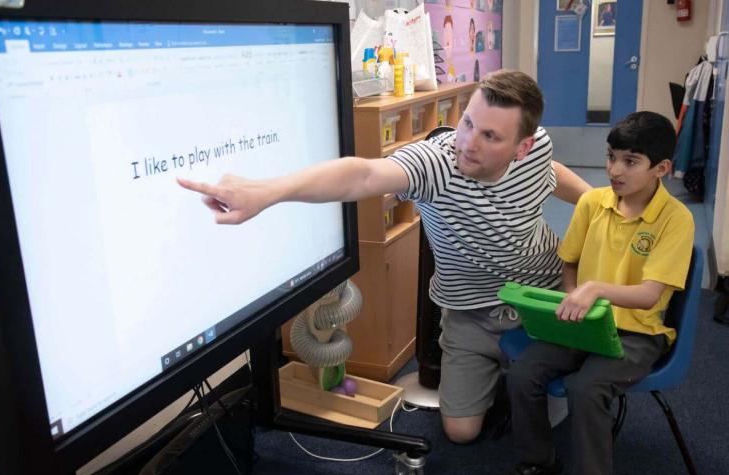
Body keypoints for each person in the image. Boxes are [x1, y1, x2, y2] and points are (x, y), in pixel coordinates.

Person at [177, 69, 591, 444]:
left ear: (523, 146)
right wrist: (271, 192)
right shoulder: (437, 164)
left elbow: (551, 172)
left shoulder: (536, 152)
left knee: (549, 405)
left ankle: (524, 374)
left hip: (544, 293)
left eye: (490, 137)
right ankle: (498, 373)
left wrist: (596, 202)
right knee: (461, 432)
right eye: (468, 123)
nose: (468, 143)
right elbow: (365, 174)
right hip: (471, 310)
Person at [489, 111, 695, 475]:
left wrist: (594, 290)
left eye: (630, 161)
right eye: (611, 156)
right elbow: (569, 262)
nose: (614, 170)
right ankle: (539, 463)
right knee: (523, 373)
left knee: (587, 388)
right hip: (584, 326)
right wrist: (572, 299)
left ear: (662, 169)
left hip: (637, 335)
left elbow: (650, 295)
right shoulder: (592, 203)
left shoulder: (676, 220)